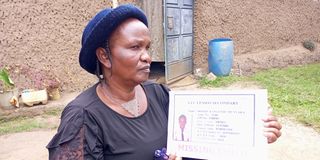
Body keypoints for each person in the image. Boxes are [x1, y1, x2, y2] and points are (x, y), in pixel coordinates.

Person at [47, 4, 282, 160]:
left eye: (147, 47)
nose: (147, 56)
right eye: (134, 47)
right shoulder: (83, 117)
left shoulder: (160, 95)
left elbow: (201, 145)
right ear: (104, 56)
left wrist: (252, 134)